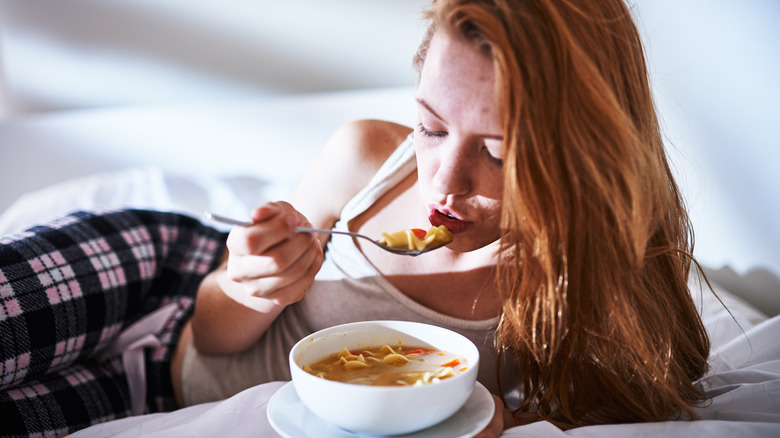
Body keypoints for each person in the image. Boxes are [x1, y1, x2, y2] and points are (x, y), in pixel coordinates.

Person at [1, 0, 711, 436]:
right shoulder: (366, 155)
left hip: (155, 393)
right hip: (162, 271)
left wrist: (499, 419)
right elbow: (212, 333)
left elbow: (632, 400)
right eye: (431, 129)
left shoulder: (567, 290)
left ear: (581, 154)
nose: (444, 178)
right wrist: (248, 282)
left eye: (497, 153)